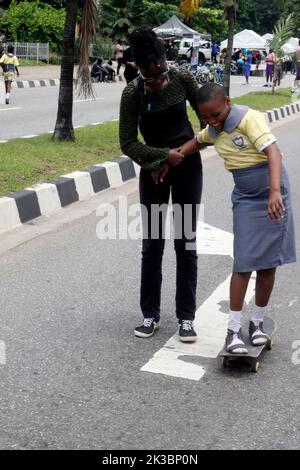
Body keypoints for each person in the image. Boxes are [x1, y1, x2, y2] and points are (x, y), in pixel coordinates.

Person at [174, 83, 296, 353]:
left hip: (273, 192)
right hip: (245, 196)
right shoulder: (214, 129)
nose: (212, 121)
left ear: (227, 102)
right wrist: (176, 155)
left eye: (215, 114)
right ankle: (232, 329)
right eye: (205, 117)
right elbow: (198, 141)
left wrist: (275, 192)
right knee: (243, 262)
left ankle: (257, 322)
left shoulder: (248, 118)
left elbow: (273, 152)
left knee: (268, 264)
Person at [119, 28, 202, 342]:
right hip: (154, 172)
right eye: (150, 70)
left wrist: (177, 155)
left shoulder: (182, 78)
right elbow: (128, 143)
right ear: (138, 66)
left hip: (187, 168)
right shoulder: (132, 93)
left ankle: (186, 318)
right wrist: (159, 158)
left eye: (161, 66)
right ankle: (150, 314)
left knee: (186, 243)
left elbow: (207, 126)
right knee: (152, 245)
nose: (158, 74)